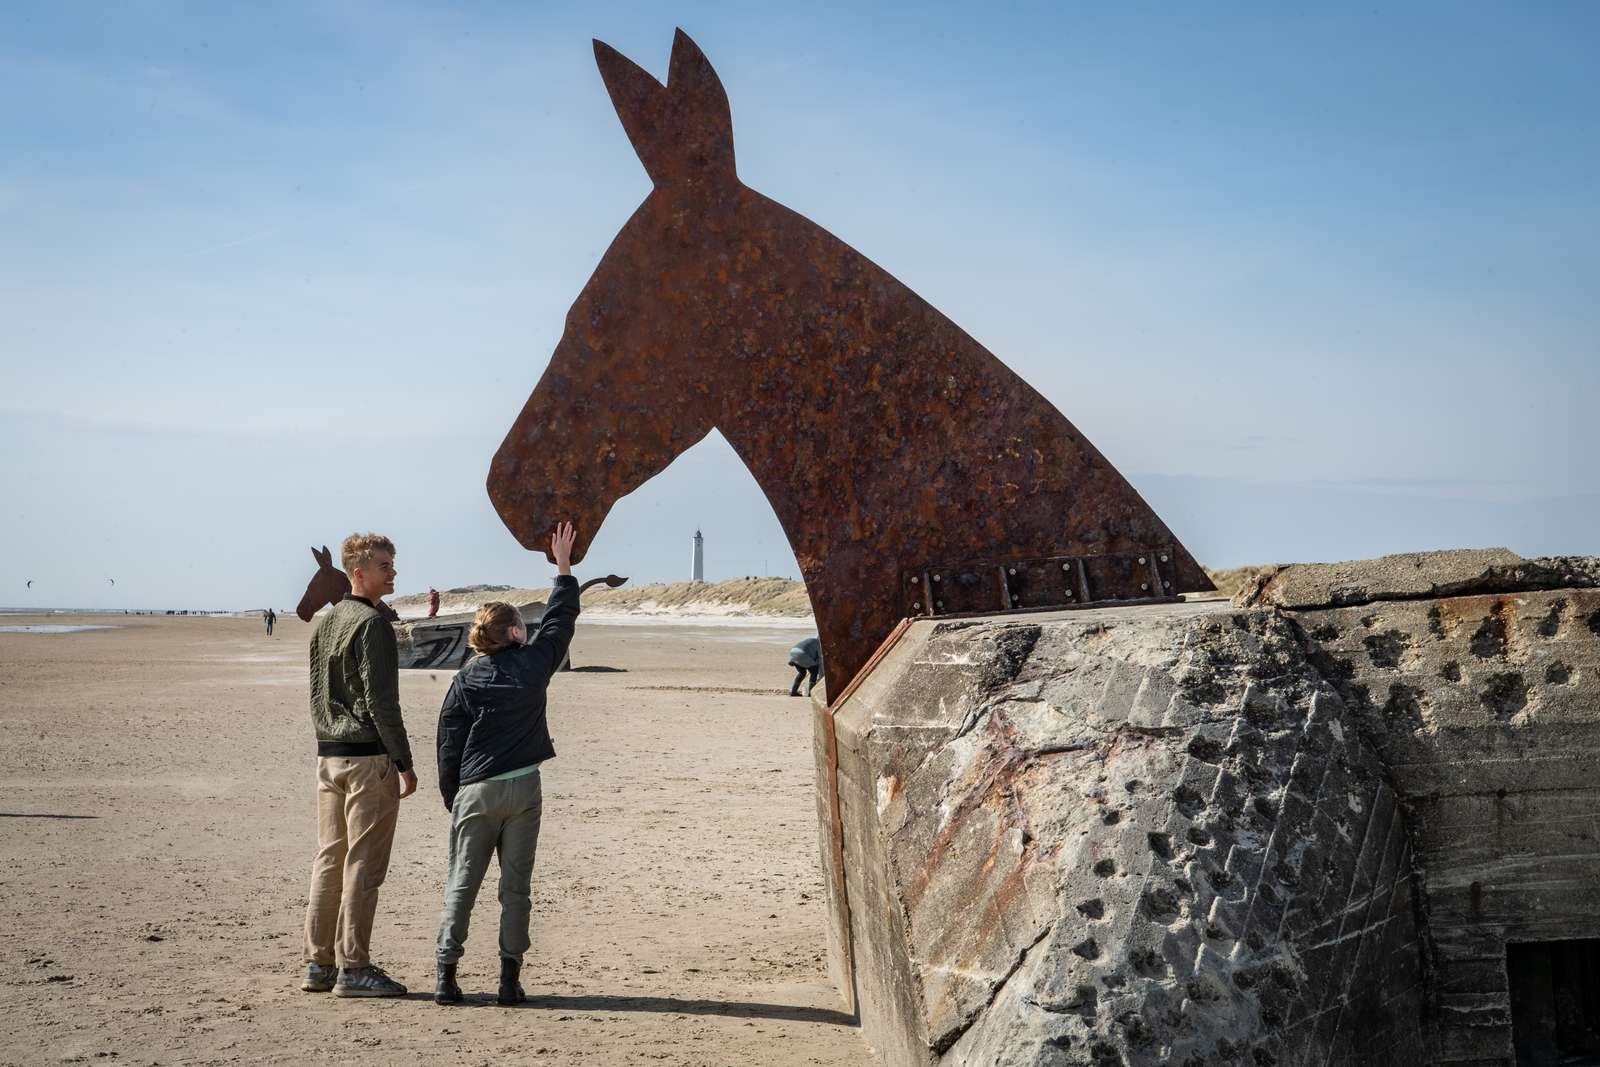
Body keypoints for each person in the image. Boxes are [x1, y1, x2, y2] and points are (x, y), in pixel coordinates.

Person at [433, 521, 579, 1006]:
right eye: (522, 624)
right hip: (523, 789)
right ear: (515, 631)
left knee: (463, 882)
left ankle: (446, 977)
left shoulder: (467, 677)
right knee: (515, 888)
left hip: (476, 790)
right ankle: (509, 981)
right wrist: (563, 568)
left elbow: (449, 741)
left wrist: (452, 796)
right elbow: (560, 624)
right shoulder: (535, 664)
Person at [301, 532, 418, 998]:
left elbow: (316, 694)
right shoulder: (371, 624)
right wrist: (403, 761)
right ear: (358, 572)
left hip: (329, 755)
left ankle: (319, 964)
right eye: (385, 565)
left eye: (392, 564)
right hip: (367, 757)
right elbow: (381, 702)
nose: (392, 572)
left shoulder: (324, 624)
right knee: (362, 865)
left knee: (330, 859)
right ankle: (353, 967)